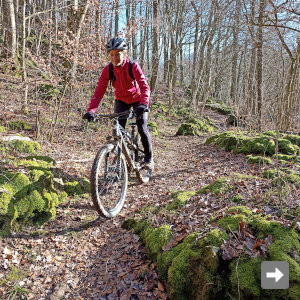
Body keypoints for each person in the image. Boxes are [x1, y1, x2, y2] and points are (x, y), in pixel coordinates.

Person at [83, 37, 154, 170]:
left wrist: (144, 104)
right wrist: (91, 110)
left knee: (142, 126)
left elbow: (145, 87)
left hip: (138, 99)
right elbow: (99, 91)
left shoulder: (133, 66)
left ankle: (149, 159)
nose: (115, 57)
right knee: (117, 130)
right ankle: (120, 157)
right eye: (112, 55)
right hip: (121, 100)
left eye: (118, 54)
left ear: (124, 54)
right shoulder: (108, 70)